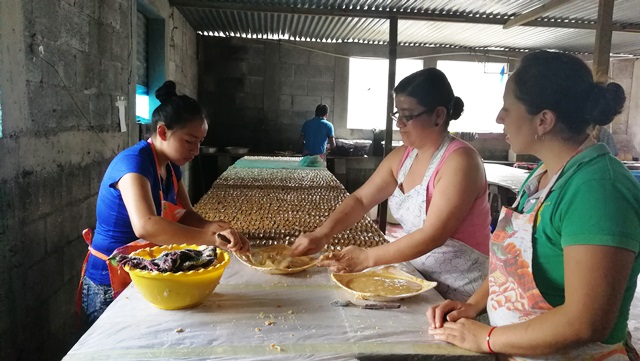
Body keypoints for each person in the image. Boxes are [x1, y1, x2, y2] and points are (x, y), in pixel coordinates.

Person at [427, 51, 640, 360]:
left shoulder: (598, 190)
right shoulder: (543, 176)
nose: (499, 118)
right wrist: (474, 305)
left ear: (543, 120)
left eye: (507, 108)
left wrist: (487, 338)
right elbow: (510, 262)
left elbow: (587, 322)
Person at [291, 68, 492, 302]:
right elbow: (361, 200)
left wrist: (367, 258)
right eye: (397, 114)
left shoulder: (460, 162)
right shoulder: (403, 157)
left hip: (464, 290)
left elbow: (433, 235)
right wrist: (322, 234)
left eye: (408, 116)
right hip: (421, 278)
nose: (400, 124)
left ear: (438, 115)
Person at [77, 81, 250, 325]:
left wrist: (213, 227)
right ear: (162, 132)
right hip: (111, 280)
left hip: (145, 273)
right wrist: (211, 240)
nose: (197, 150)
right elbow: (147, 226)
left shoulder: (169, 167)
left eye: (200, 142)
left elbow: (186, 215)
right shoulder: (133, 165)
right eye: (190, 141)